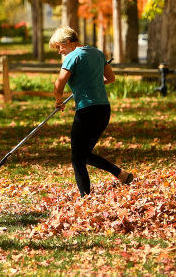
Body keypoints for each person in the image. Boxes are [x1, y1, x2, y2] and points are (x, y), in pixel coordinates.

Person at [50, 26, 134, 196]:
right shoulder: (97, 52)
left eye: (59, 47)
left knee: (77, 158)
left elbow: (58, 86)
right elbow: (110, 78)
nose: (59, 51)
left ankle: (85, 198)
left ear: (68, 42)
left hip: (86, 111)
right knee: (84, 154)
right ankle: (122, 175)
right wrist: (91, 83)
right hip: (103, 110)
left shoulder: (71, 56)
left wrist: (58, 101)